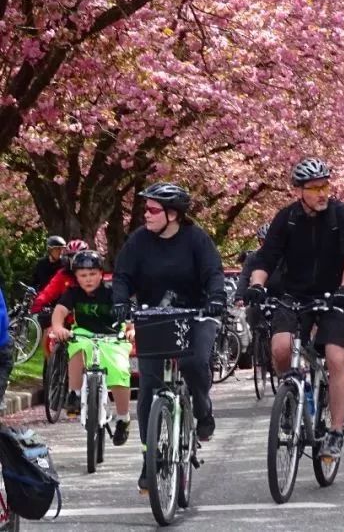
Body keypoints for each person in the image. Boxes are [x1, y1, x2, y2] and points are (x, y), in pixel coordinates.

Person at [244, 158, 344, 463]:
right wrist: (257, 285)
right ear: (299, 191)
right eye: (314, 188)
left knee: (337, 357)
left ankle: (336, 429)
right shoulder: (287, 218)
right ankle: (291, 397)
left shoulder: (342, 215)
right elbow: (266, 258)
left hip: (335, 296)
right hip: (295, 296)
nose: (322, 192)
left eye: (325, 185)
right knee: (281, 349)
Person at [111, 182, 227, 493]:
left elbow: (213, 272)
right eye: (144, 209)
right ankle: (150, 461)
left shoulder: (196, 239)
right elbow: (122, 275)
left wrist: (216, 297)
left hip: (196, 313)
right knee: (148, 386)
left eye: (152, 210)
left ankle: (202, 410)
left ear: (172, 214)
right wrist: (121, 301)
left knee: (193, 362)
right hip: (155, 316)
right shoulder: (138, 242)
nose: (145, 215)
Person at [50, 249, 133, 445]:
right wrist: (58, 327)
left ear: (101, 274)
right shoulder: (72, 294)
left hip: (113, 336)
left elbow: (130, 318)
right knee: (77, 346)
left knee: (119, 371)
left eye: (93, 274)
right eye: (83, 275)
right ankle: (75, 394)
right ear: (76, 277)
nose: (88, 279)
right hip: (85, 333)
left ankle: (123, 418)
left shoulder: (112, 293)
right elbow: (59, 312)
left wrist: (131, 330)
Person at [30, 239, 88, 316]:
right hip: (67, 319)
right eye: (72, 257)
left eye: (79, 258)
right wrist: (36, 305)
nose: (75, 261)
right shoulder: (63, 274)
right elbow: (48, 292)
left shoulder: (94, 273)